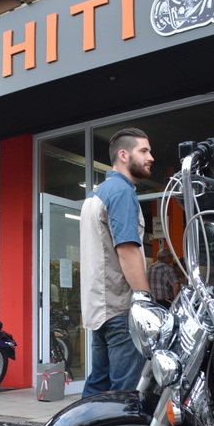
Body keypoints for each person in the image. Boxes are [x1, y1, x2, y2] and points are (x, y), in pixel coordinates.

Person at [79, 127, 153, 398]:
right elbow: (127, 250)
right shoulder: (122, 192)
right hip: (119, 308)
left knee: (98, 384)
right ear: (123, 155)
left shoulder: (96, 194)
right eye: (144, 151)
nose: (151, 157)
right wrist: (145, 300)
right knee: (124, 391)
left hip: (98, 308)